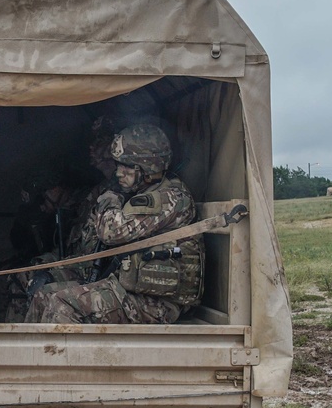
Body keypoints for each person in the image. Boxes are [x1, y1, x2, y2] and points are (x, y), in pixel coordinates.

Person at [25, 123, 204, 325]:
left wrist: (111, 196)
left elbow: (110, 231)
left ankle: (60, 356)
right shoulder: (146, 192)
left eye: (125, 166)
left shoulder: (169, 198)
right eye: (117, 164)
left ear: (146, 168)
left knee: (63, 304)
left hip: (158, 304)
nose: (118, 173)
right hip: (133, 290)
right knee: (43, 295)